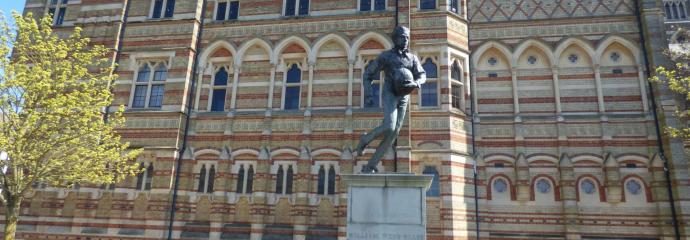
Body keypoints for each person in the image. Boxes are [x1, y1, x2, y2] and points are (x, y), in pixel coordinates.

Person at [355, 26, 426, 173]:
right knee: (389, 126)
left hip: (404, 95)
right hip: (390, 93)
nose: (406, 40)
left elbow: (422, 75)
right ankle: (365, 139)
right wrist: (368, 94)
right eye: (402, 37)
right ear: (395, 39)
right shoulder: (386, 56)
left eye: (407, 37)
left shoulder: (412, 58)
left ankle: (371, 165)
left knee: (394, 133)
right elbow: (368, 74)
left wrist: (416, 83)